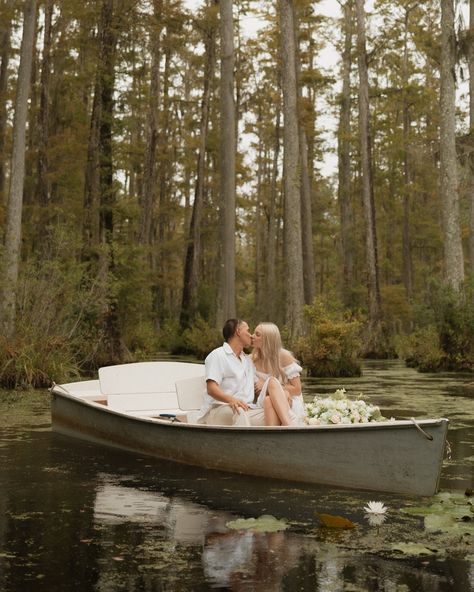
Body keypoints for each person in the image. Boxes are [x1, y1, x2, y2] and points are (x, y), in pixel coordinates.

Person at [197, 318, 265, 426]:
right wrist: (231, 400)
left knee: (272, 412)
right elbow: (211, 389)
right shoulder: (218, 355)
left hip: (247, 409)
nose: (251, 335)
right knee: (239, 411)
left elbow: (258, 386)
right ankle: (244, 442)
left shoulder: (247, 360)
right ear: (238, 331)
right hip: (221, 408)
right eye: (247, 330)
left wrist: (266, 386)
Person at [251, 322, 305, 426]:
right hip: (262, 399)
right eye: (254, 333)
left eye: (257, 335)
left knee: (269, 400)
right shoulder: (252, 359)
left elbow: (297, 390)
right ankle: (288, 426)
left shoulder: (284, 356)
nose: (252, 336)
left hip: (288, 399)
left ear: (268, 339)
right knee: (267, 399)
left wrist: (267, 386)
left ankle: (275, 436)